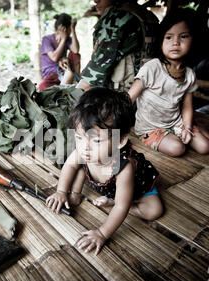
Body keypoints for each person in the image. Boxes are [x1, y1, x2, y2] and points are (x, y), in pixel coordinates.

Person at [46, 88, 162, 255]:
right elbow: (70, 166)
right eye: (79, 137)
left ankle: (113, 202)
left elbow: (122, 206)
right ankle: (76, 195)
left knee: (154, 211)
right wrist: (61, 191)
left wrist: (102, 233)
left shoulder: (124, 167)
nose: (85, 146)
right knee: (79, 164)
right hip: (104, 184)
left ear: (120, 140)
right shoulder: (85, 150)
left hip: (136, 189)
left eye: (97, 140)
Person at [128, 9, 209, 157]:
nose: (175, 42)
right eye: (168, 37)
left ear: (194, 40)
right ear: (160, 41)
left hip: (176, 122)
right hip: (150, 128)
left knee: (206, 146)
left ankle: (194, 126)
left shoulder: (189, 74)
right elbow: (129, 98)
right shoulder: (152, 67)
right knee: (177, 148)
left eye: (184, 36)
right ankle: (188, 131)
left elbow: (187, 106)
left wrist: (186, 127)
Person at [77, 0, 158, 92]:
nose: (96, 1)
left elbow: (93, 77)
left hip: (121, 96)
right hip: (150, 91)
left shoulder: (117, 18)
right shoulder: (146, 15)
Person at [39, 13, 80, 90]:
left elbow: (76, 50)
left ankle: (75, 82)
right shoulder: (47, 39)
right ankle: (64, 88)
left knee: (75, 55)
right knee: (43, 86)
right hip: (51, 74)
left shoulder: (68, 38)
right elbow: (54, 58)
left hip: (64, 71)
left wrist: (73, 29)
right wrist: (63, 39)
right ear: (61, 29)